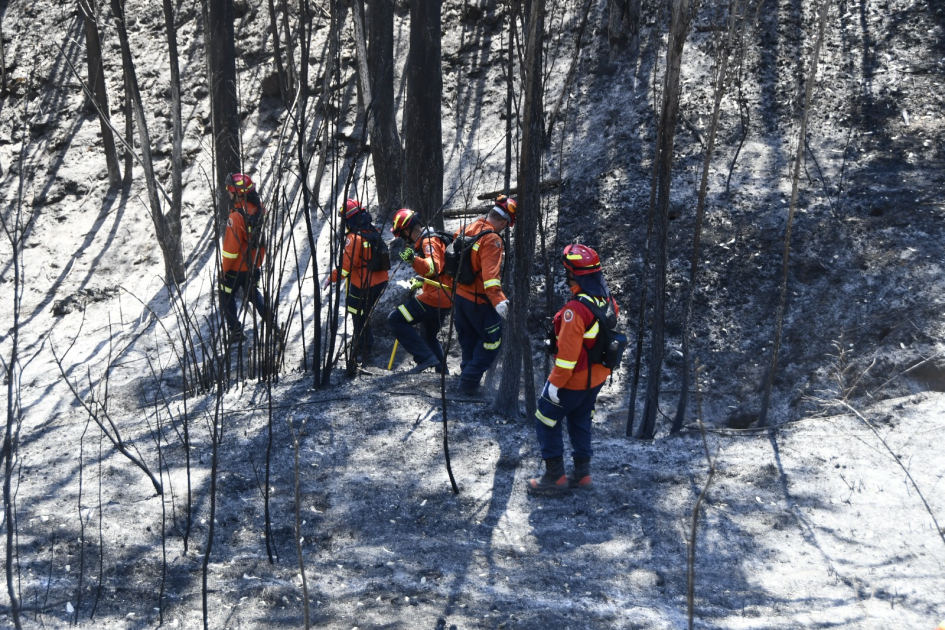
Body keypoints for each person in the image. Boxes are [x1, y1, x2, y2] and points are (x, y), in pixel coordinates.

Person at [529, 244, 620, 492]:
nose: (566, 277)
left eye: (568, 273)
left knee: (546, 417)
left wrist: (554, 386)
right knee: (580, 418)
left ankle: (554, 478)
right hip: (597, 377)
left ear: (575, 275)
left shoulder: (575, 311)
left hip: (574, 380)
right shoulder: (608, 301)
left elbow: (567, 359)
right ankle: (583, 476)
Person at [452, 195, 516, 396]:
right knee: (492, 341)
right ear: (505, 222)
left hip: (460, 298)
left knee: (468, 339)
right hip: (480, 302)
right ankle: (469, 382)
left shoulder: (467, 228)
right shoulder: (492, 239)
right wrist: (499, 301)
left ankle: (466, 378)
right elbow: (490, 279)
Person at [387, 209, 453, 374]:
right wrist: (419, 280)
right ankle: (441, 373)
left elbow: (434, 268)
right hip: (443, 296)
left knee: (396, 319)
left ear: (408, 229)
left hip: (436, 297)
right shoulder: (432, 239)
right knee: (427, 336)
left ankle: (424, 358)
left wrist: (413, 260)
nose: (404, 239)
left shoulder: (428, 242)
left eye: (403, 235)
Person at [324, 199, 390, 362]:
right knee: (364, 312)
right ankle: (365, 341)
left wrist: (331, 278)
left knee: (357, 312)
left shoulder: (353, 238)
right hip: (381, 281)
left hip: (362, 284)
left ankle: (363, 345)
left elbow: (346, 267)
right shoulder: (374, 231)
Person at [220, 173, 270, 344]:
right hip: (254, 264)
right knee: (253, 294)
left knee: (226, 294)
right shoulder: (260, 208)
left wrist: (224, 270)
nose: (228, 193)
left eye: (230, 190)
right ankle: (271, 321)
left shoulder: (235, 217)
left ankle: (235, 332)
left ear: (238, 192)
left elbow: (230, 251)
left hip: (236, 267)